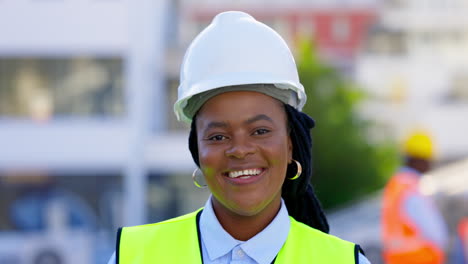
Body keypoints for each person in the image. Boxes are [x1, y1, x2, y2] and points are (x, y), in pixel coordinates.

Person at [108, 11, 370, 263]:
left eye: (260, 131)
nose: (240, 150)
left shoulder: (343, 261)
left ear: (291, 145)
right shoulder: (134, 257)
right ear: (197, 151)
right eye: (218, 137)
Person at [381, 131, 448, 264]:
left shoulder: (396, 184)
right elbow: (434, 232)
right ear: (418, 159)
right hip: (419, 259)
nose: (430, 164)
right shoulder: (410, 188)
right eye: (428, 159)